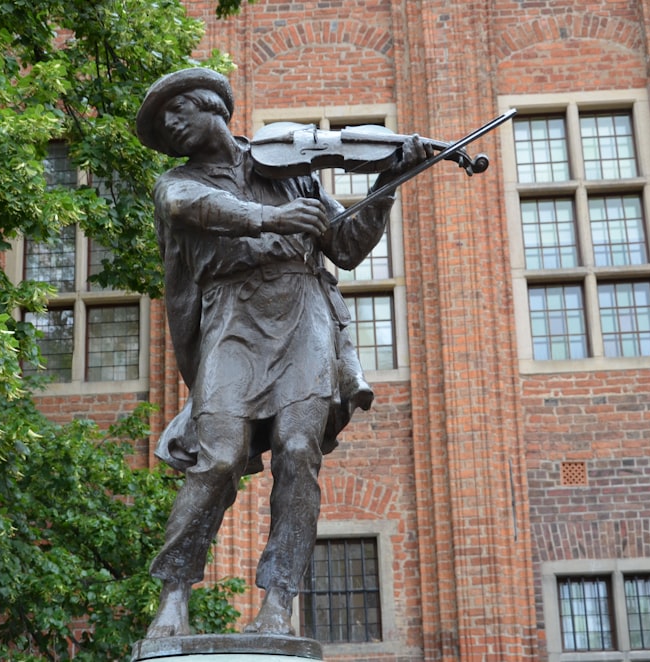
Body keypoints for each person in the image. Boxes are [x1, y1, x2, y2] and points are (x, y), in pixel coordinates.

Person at [135, 68, 428, 638]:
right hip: (232, 320)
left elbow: (344, 247)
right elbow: (191, 207)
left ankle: (278, 603)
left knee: (298, 452)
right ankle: (173, 592)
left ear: (212, 107)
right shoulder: (176, 183)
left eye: (177, 112)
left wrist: (387, 184)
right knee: (218, 457)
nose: (170, 127)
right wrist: (271, 218)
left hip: (303, 317)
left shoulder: (291, 169)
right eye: (163, 122)